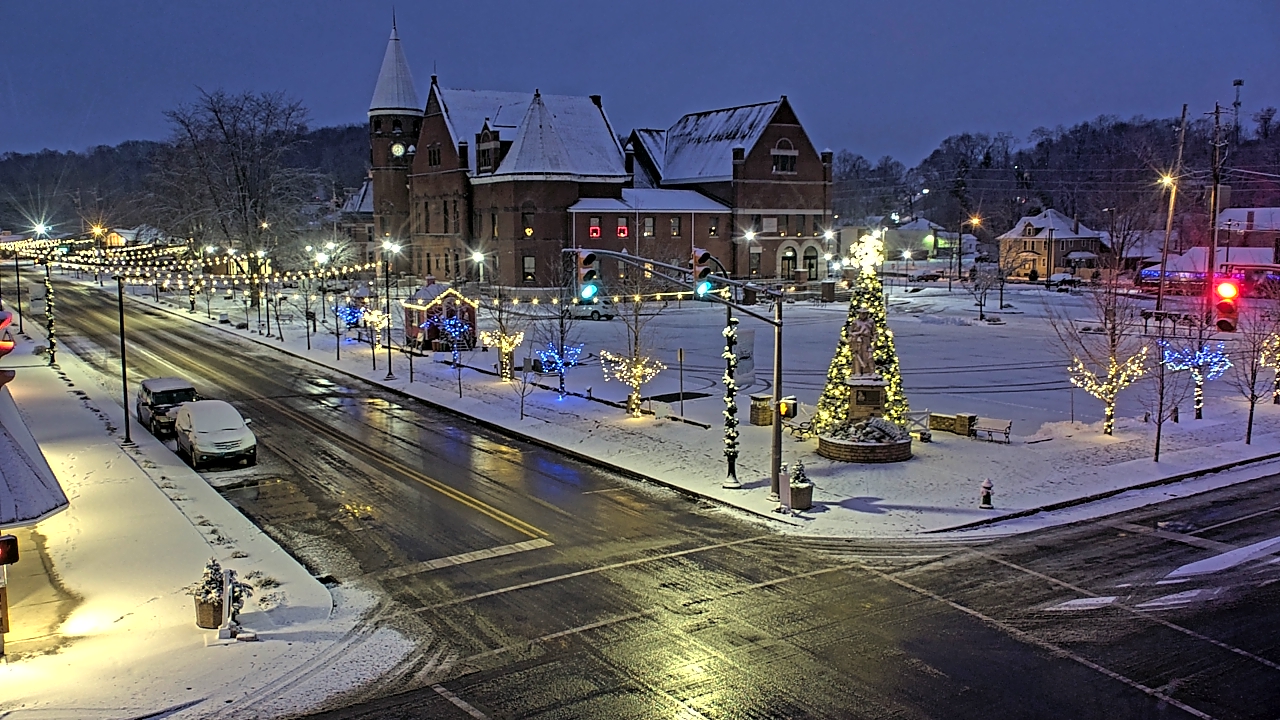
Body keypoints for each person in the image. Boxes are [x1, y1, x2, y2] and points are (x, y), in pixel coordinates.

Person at [845, 308, 875, 376]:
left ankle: (870, 371)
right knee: (858, 356)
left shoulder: (870, 321)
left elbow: (874, 332)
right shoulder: (855, 322)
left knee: (869, 356)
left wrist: (875, 339)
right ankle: (857, 371)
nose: (863, 315)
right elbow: (850, 332)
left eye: (864, 313)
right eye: (861, 313)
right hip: (858, 340)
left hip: (867, 340)